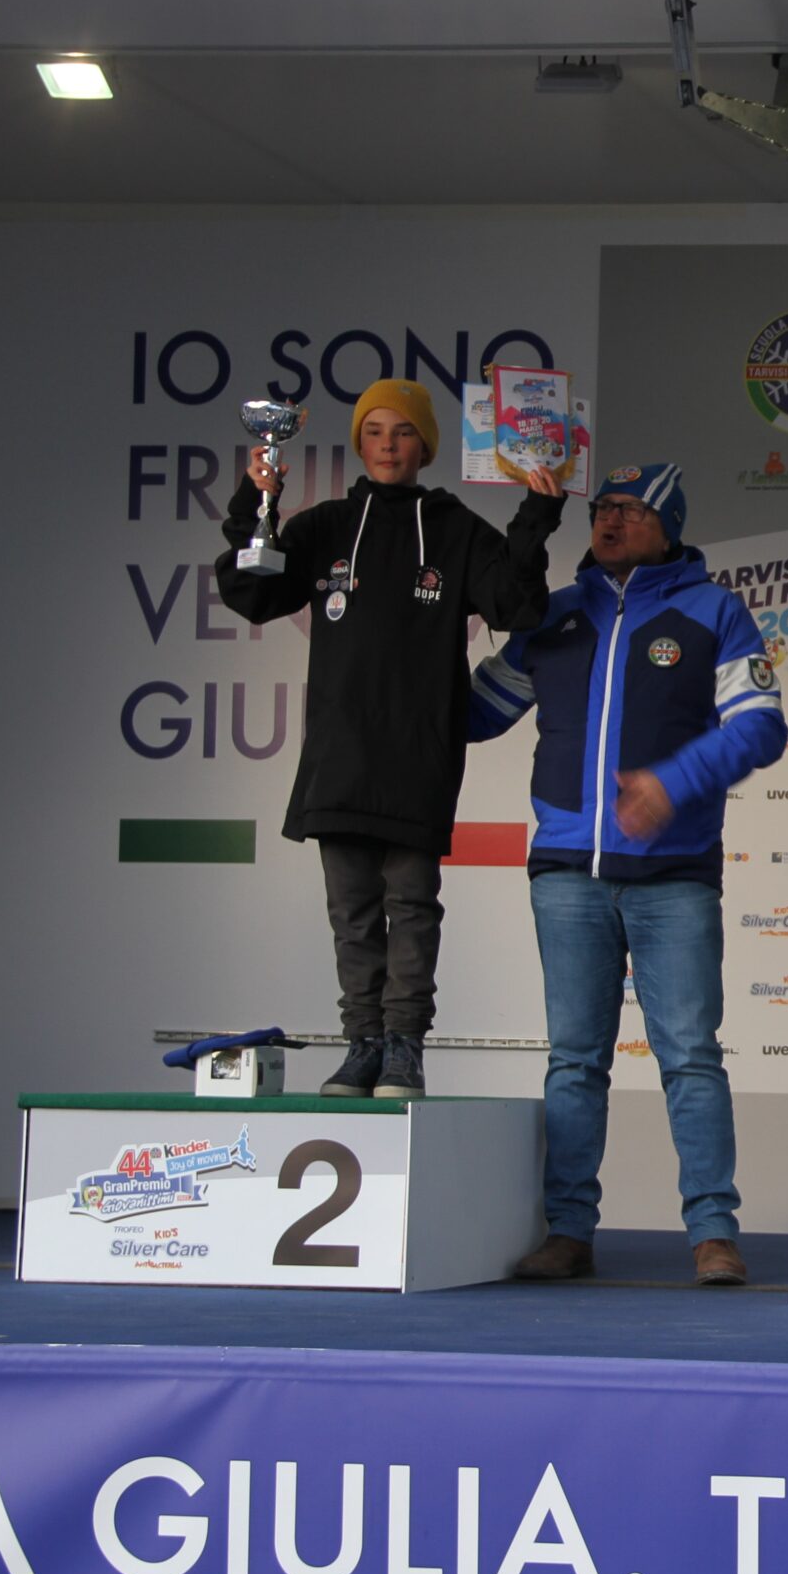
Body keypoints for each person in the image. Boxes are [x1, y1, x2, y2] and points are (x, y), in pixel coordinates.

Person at [468, 464, 786, 1286]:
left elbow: (761, 726)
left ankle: (713, 1233)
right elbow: (477, 712)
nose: (609, 520)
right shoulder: (554, 614)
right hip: (566, 873)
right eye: (603, 508)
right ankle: (568, 1231)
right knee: (574, 1061)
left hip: (675, 876)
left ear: (668, 524)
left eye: (631, 509)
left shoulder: (714, 612)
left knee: (690, 1058)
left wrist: (671, 782)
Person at [217, 378, 559, 1098]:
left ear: (424, 445)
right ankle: (363, 1045)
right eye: (373, 432)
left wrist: (537, 515)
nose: (387, 445)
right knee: (351, 913)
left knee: (412, 905)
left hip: (418, 753)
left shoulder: (454, 527)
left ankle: (404, 1047)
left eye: (402, 432)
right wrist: (255, 501)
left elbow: (516, 604)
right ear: (359, 443)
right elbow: (252, 591)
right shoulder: (325, 526)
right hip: (339, 755)